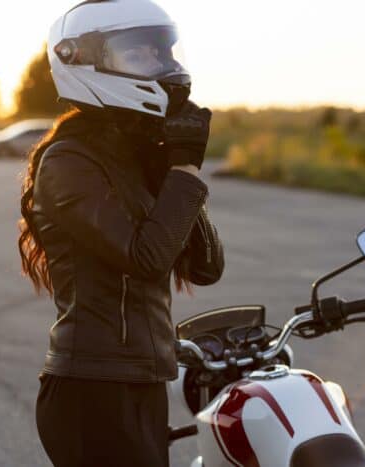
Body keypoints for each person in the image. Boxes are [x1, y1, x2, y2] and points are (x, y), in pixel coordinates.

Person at [17, 1, 225, 465]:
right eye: (141, 54)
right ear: (84, 60)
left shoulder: (134, 158)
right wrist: (185, 169)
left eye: (165, 52)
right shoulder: (68, 163)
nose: (166, 67)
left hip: (143, 385)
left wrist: (173, 164)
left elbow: (207, 266)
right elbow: (147, 258)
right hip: (93, 389)